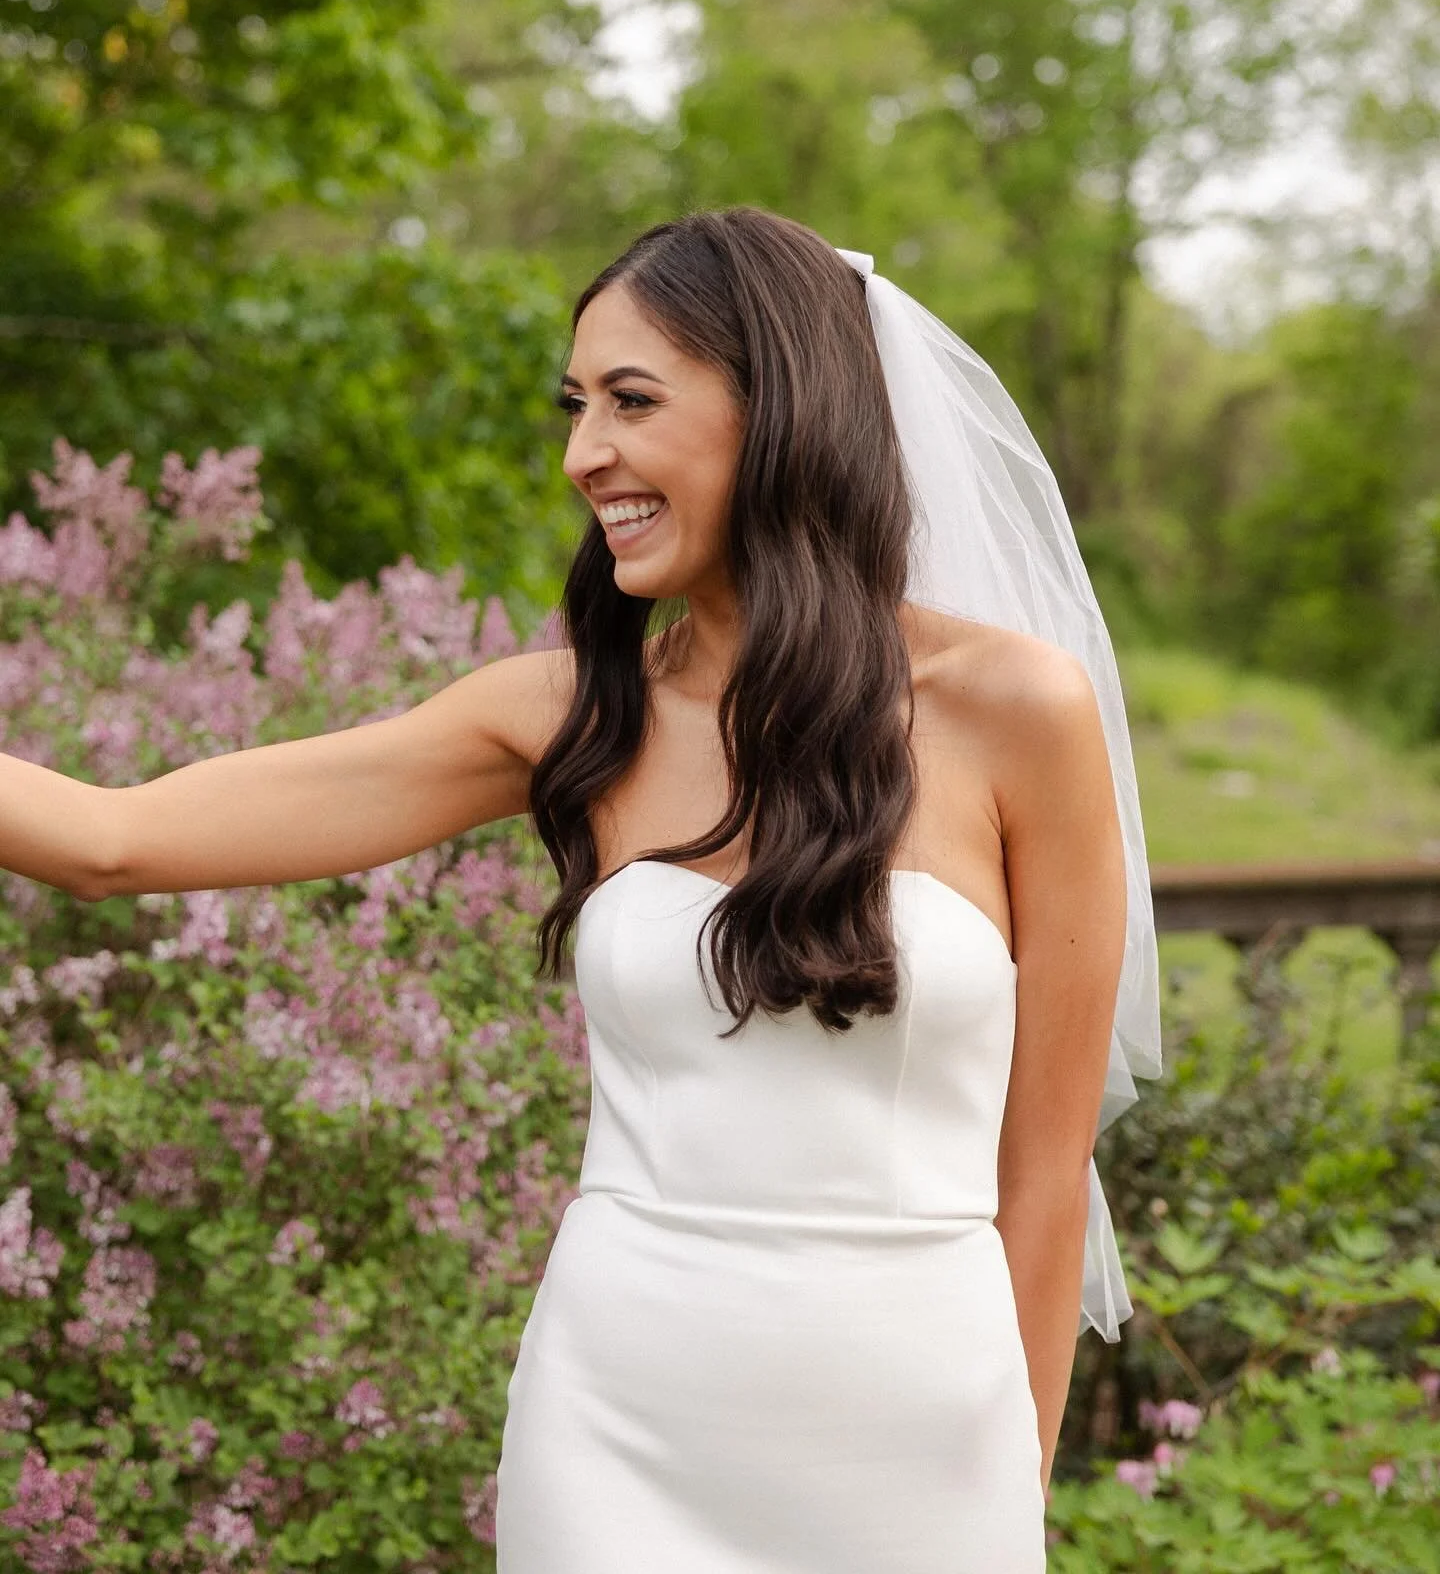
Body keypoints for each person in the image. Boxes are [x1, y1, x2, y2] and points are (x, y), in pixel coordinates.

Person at [0, 206, 1159, 1572]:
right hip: (621, 1427)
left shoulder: (1018, 711)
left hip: (923, 1437)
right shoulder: (564, 718)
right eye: (573, 405)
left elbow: (1044, 1172)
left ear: (777, 405)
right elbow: (113, 841)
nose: (581, 454)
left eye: (630, 400)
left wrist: (1011, 1471)